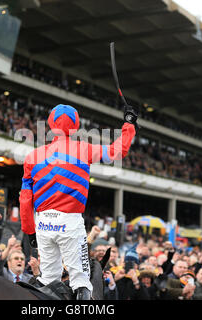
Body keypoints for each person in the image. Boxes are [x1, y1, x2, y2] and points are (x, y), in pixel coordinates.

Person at [19, 103, 137, 300]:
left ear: (50, 125)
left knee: (48, 280)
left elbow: (25, 199)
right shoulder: (84, 149)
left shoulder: (33, 156)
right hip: (70, 223)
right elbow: (118, 152)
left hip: (43, 224)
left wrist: (30, 231)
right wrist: (129, 125)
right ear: (75, 127)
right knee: (81, 281)